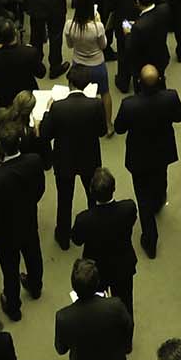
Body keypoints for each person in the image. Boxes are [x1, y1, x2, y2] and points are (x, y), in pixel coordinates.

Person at [117, 64, 181, 256]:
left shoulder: (129, 104)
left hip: (138, 155)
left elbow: (120, 128)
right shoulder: (170, 97)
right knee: (160, 175)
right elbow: (178, 117)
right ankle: (159, 199)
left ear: (139, 82)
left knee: (142, 196)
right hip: (162, 150)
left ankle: (150, 239)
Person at [0, 135, 47, 320]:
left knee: (10, 268)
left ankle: (13, 306)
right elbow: (40, 188)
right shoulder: (34, 161)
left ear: (2, 149)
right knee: (33, 254)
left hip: (6, 232)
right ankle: (36, 287)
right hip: (28, 219)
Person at [43, 80, 109, 248]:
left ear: (70, 83)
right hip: (89, 158)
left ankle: (63, 237)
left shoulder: (57, 107)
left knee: (64, 200)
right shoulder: (95, 104)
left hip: (65, 160)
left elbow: (46, 134)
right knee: (93, 197)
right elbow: (102, 131)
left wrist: (47, 111)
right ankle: (94, 232)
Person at [55, 257, 135, 360]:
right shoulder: (116, 305)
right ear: (97, 282)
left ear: (73, 285)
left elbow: (61, 349)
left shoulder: (64, 317)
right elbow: (129, 327)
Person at [73, 168, 143, 315]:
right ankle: (126, 334)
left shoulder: (84, 219)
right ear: (114, 188)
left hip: (95, 271)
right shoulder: (128, 208)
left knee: (96, 307)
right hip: (122, 266)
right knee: (125, 305)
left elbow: (77, 240)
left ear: (91, 192)